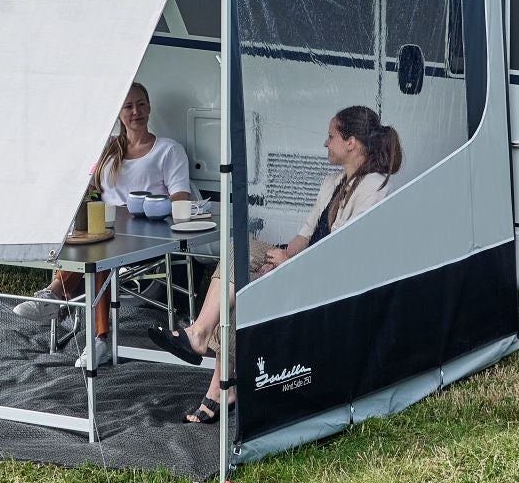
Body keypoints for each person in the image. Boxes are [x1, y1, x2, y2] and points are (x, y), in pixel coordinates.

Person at [171, 105, 401, 424]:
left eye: (331, 136)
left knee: (240, 291)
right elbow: (304, 235)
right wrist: (278, 258)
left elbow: (345, 253)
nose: (325, 143)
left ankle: (216, 379)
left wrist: (288, 262)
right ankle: (206, 345)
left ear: (351, 142)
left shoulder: (374, 187)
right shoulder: (332, 183)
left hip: (331, 279)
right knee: (242, 253)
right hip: (305, 264)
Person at [14, 81, 194, 321]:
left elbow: (181, 199)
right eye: (128, 106)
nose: (136, 112)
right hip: (103, 229)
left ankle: (56, 299)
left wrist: (149, 210)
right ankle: (87, 329)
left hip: (146, 235)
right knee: (86, 243)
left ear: (149, 108)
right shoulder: (108, 148)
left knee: (100, 252)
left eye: (141, 105)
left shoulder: (168, 150)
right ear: (119, 113)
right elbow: (89, 189)